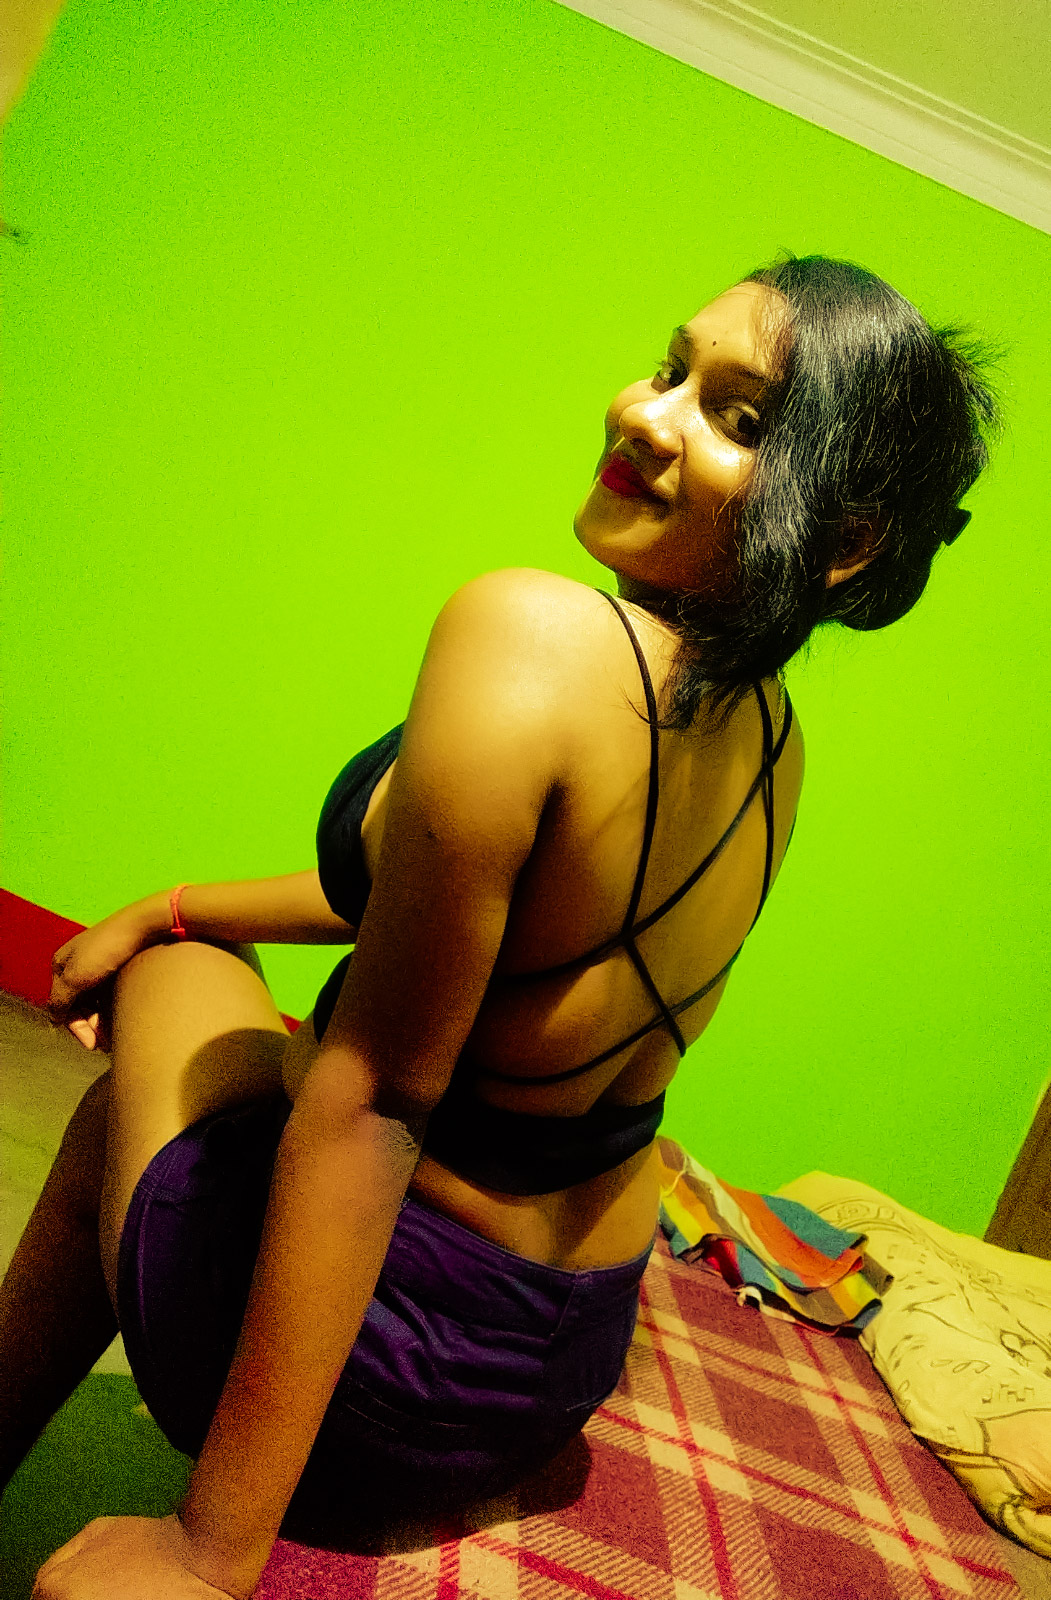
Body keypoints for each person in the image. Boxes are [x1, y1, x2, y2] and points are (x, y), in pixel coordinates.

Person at [0, 254, 999, 1599]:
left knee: (172, 1022)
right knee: (183, 973)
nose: (644, 413)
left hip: (388, 1374)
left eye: (737, 417)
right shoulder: (773, 737)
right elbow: (452, 915)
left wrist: (210, 1547)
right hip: (546, 1365)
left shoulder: (531, 633)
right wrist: (171, 903)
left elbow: (375, 1101)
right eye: (669, 368)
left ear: (845, 541)